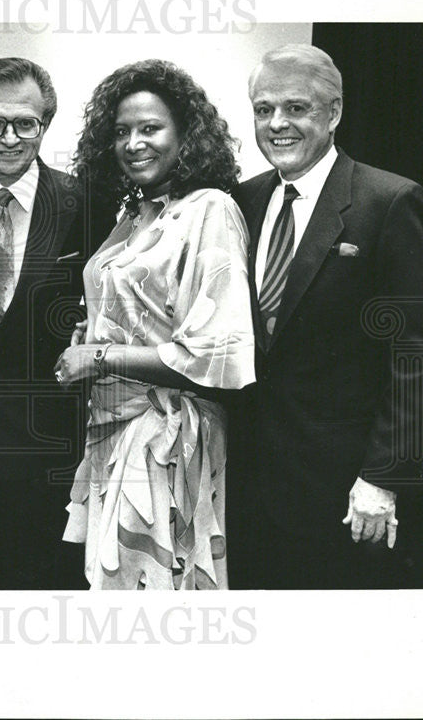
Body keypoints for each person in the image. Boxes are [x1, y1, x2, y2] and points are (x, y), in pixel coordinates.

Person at [231, 44, 423, 589]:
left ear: (334, 113)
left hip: (345, 493)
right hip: (247, 485)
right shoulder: (243, 202)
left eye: (296, 108)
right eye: (263, 109)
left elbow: (420, 354)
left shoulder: (389, 201)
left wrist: (383, 476)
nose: (277, 123)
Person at [54, 59, 255, 590]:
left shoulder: (211, 209)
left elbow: (217, 355)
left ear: (186, 135)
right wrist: (94, 328)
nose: (134, 143)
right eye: (121, 132)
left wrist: (97, 357)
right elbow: (142, 306)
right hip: (111, 431)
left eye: (150, 129)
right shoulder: (133, 212)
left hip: (167, 440)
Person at [0, 57, 116, 589]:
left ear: (45, 124)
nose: (9, 138)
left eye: (25, 124)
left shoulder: (84, 201)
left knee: (39, 590)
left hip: (49, 446)